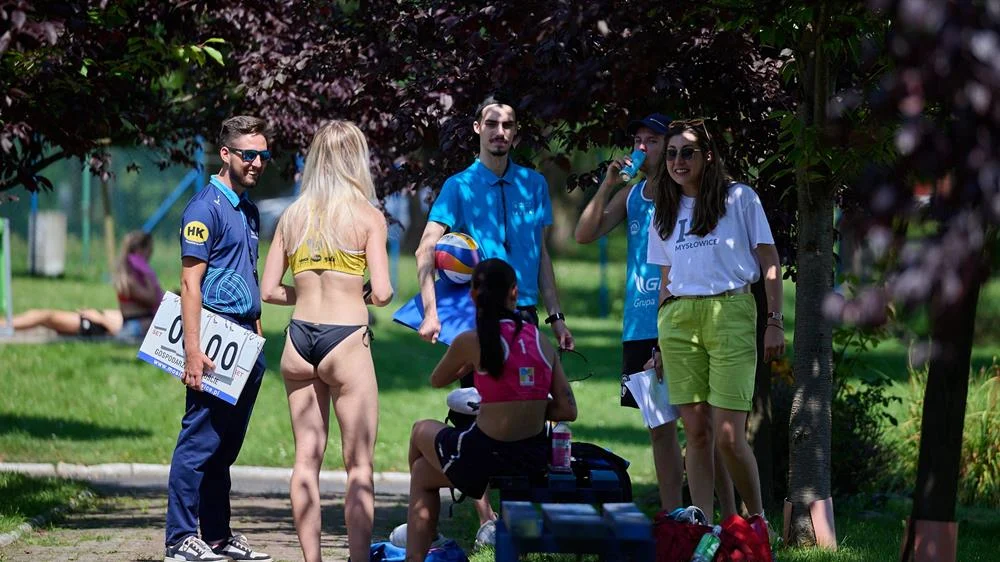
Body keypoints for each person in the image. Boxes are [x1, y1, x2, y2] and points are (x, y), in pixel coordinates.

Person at [413, 95, 575, 540]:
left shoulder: (534, 184)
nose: (499, 132)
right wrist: (431, 311)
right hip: (475, 312)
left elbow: (541, 256)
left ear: (516, 133)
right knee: (474, 410)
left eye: (507, 124)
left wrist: (556, 316)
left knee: (525, 407)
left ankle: (518, 516)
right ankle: (487, 522)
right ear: (477, 130)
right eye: (491, 124)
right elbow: (426, 246)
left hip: (522, 312)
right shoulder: (459, 186)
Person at [574, 113, 737, 517]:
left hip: (686, 318)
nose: (642, 147)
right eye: (638, 139)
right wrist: (608, 184)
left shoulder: (690, 194)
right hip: (639, 326)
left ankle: (730, 517)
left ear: (672, 146)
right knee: (660, 430)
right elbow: (583, 234)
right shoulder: (633, 197)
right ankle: (673, 520)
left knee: (703, 430)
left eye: (652, 139)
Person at [261, 120, 393, 562]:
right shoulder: (368, 216)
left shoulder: (292, 216)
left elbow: (268, 290)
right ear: (357, 160)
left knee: (305, 462)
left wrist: (311, 292)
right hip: (346, 341)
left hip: (298, 340)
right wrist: (355, 290)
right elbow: (386, 291)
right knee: (358, 467)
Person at [646, 118, 784, 525]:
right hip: (678, 321)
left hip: (732, 312)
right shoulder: (664, 210)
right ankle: (702, 529)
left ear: (708, 156)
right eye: (671, 154)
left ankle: (757, 522)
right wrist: (658, 342)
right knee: (698, 435)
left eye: (687, 152)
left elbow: (770, 260)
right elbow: (665, 282)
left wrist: (774, 321)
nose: (677, 161)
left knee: (727, 435)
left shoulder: (739, 198)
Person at [404, 258, 577, 562]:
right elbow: (568, 409)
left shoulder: (470, 340)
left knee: (420, 430)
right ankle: (424, 540)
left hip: (485, 455)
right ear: (515, 292)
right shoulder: (540, 339)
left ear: (472, 295)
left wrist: (472, 364)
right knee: (423, 473)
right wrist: (528, 403)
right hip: (531, 457)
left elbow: (437, 380)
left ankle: (422, 543)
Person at [164, 115, 273, 562]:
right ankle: (179, 539)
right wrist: (193, 349)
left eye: (264, 156)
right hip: (212, 345)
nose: (258, 163)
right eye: (249, 155)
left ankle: (216, 536)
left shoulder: (247, 208)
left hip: (246, 342)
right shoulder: (203, 208)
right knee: (198, 444)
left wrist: (259, 330)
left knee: (224, 449)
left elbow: (248, 274)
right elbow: (190, 284)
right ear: (226, 154)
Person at [2, 230, 162, 339]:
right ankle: (5, 324)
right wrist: (148, 274)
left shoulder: (129, 278)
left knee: (46, 319)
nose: (150, 256)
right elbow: (151, 299)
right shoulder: (130, 279)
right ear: (141, 250)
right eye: (149, 251)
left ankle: (6, 324)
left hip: (99, 321)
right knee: (46, 317)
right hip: (93, 322)